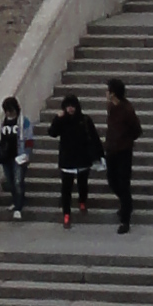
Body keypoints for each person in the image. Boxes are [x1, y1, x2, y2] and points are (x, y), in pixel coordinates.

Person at [50, 86, 101, 225]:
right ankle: (66, 212)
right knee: (66, 188)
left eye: (72, 106)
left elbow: (94, 137)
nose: (70, 109)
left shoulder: (85, 120)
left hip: (82, 158)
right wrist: (57, 119)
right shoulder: (62, 120)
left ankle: (82, 200)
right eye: (68, 106)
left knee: (82, 183)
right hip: (67, 159)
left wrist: (98, 154)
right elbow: (52, 133)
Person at [101, 77, 142, 233]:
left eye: (108, 90)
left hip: (124, 151)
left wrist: (125, 140)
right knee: (112, 181)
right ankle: (126, 205)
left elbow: (137, 130)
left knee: (123, 183)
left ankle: (125, 219)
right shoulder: (111, 107)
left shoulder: (127, 109)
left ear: (113, 93)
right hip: (111, 150)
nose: (106, 93)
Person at [0, 93, 29, 219]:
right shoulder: (1, 122)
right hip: (5, 156)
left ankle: (18, 207)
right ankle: (16, 201)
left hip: (19, 156)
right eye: (6, 111)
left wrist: (27, 153)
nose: (9, 113)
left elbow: (29, 138)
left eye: (10, 110)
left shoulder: (23, 121)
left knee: (18, 181)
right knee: (10, 182)